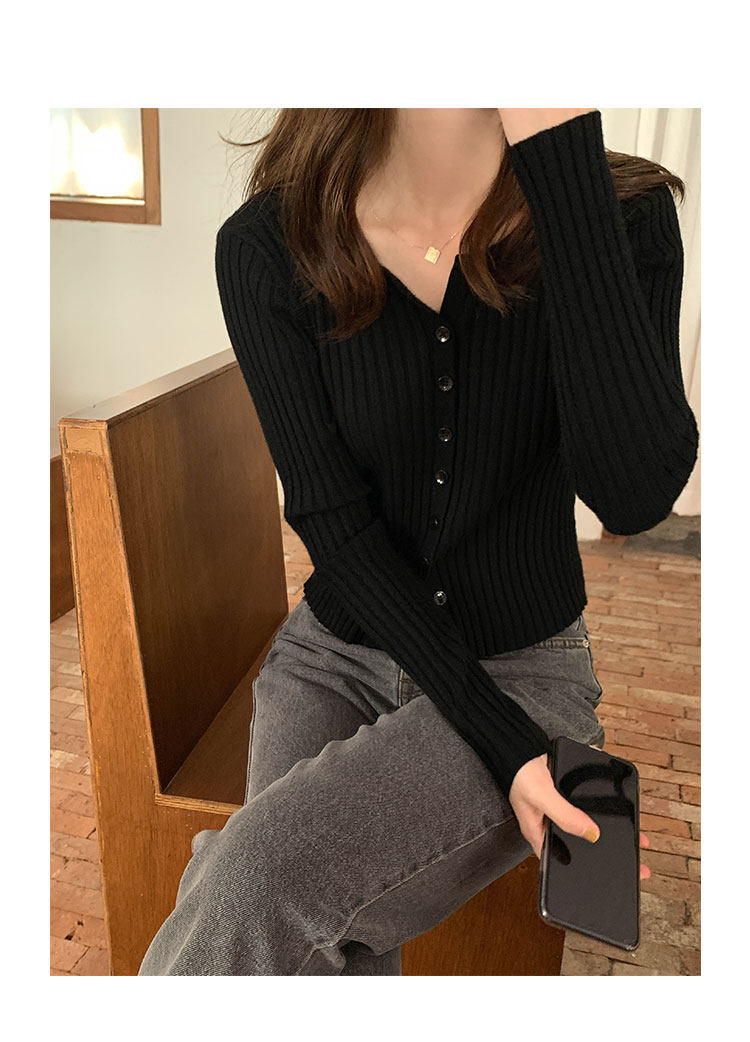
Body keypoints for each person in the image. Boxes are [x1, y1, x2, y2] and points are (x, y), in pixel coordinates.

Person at [138, 107, 698, 975]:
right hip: (335, 654)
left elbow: (633, 495)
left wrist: (561, 161)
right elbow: (330, 519)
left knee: (250, 880)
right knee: (292, 926)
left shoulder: (623, 215)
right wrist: (503, 743)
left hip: (525, 667)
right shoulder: (268, 244)